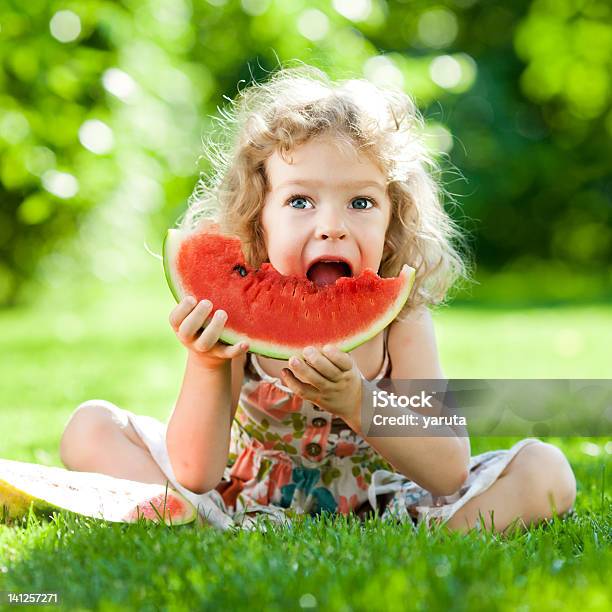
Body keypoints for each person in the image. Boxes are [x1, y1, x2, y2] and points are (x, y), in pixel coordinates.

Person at [59, 65, 576, 533]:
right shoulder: (233, 318)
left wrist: (359, 401)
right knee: (89, 427)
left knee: (546, 471)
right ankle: (204, 523)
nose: (331, 227)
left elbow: (448, 469)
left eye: (361, 202)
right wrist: (205, 364)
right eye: (300, 200)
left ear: (394, 220)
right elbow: (196, 471)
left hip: (387, 507)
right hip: (243, 497)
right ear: (257, 217)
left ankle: (425, 536)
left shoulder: (403, 318)